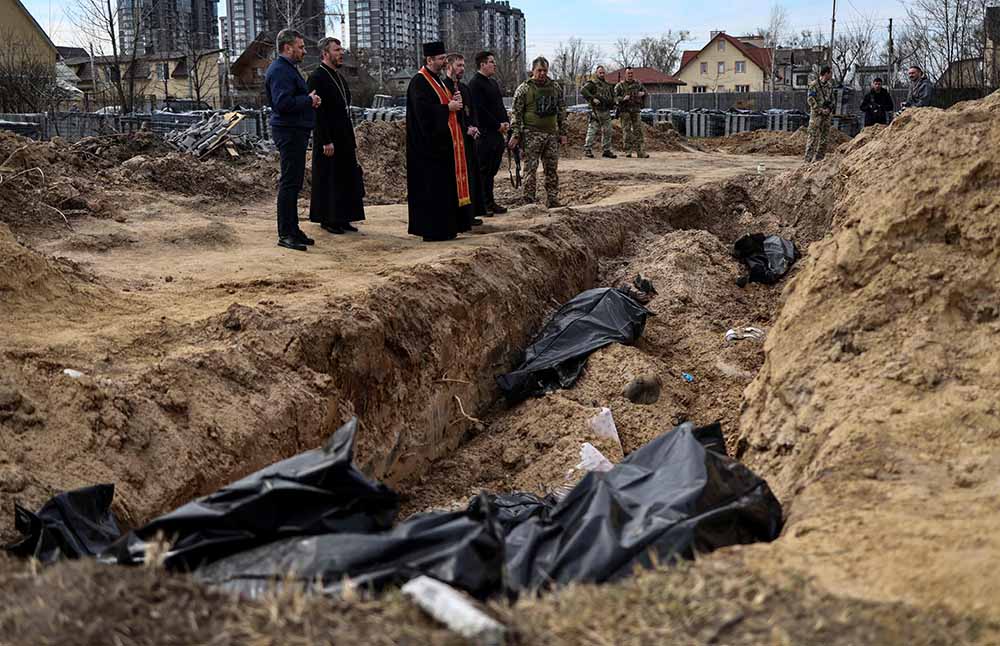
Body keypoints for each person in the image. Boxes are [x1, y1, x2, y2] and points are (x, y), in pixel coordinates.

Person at [406, 41, 473, 242]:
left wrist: (454, 101)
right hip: (428, 149)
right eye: (441, 58)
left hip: (443, 146)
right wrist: (447, 108)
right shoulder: (419, 82)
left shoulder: (438, 81)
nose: (444, 62)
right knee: (432, 190)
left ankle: (448, 227)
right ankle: (434, 230)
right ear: (429, 60)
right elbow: (423, 113)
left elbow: (445, 104)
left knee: (445, 190)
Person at [265, 28, 321, 252]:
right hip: (288, 132)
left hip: (294, 131)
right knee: (289, 183)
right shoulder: (280, 70)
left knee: (294, 182)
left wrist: (308, 101)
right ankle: (285, 233)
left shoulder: (288, 68)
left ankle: (293, 229)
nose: (304, 51)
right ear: (287, 48)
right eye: (300, 47)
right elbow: (282, 103)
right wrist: (308, 100)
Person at [307, 37, 365, 235]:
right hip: (329, 137)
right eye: (337, 49)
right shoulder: (316, 77)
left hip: (344, 135)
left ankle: (343, 217)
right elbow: (317, 112)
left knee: (345, 177)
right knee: (330, 178)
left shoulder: (338, 76)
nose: (341, 53)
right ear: (325, 53)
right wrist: (325, 140)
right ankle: (328, 218)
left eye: (341, 50)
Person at [509, 56, 567, 208]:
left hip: (551, 135)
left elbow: (561, 110)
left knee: (551, 169)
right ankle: (529, 201)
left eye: (545, 71)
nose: (542, 73)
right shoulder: (524, 88)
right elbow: (516, 113)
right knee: (530, 170)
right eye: (539, 70)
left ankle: (553, 200)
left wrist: (563, 132)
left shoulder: (555, 88)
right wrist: (516, 134)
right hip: (531, 135)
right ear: (532, 70)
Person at [444, 53, 485, 226]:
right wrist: (463, 128)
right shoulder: (443, 87)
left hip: (468, 141)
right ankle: (459, 217)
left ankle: (470, 214)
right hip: (453, 141)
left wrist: (474, 126)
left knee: (471, 176)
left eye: (463, 65)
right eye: (459, 65)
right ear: (449, 67)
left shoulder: (465, 88)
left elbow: (471, 111)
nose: (462, 69)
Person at [468, 50, 509, 215]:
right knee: (483, 170)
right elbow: (480, 110)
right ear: (482, 64)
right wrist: (496, 125)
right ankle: (482, 203)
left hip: (497, 134)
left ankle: (490, 202)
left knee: (492, 170)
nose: (494, 64)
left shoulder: (492, 83)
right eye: (491, 61)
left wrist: (506, 122)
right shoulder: (475, 84)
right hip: (485, 134)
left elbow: (499, 105)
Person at [580, 65, 616, 159]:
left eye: (603, 72)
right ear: (596, 73)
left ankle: (606, 150)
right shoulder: (592, 83)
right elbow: (583, 90)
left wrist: (614, 103)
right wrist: (592, 99)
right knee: (592, 130)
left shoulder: (608, 85)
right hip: (595, 111)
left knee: (608, 131)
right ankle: (587, 149)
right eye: (600, 72)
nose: (602, 74)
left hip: (606, 111)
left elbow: (613, 97)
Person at [614, 67, 648, 158]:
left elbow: (645, 92)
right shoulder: (620, 86)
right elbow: (614, 98)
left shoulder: (638, 84)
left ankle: (641, 152)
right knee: (626, 131)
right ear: (625, 74)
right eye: (628, 73)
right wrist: (622, 99)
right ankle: (628, 151)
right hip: (625, 111)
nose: (630, 75)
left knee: (638, 131)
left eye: (631, 73)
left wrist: (643, 94)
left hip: (635, 110)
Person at [804, 65, 834, 163]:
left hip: (826, 116)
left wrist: (829, 109)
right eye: (830, 73)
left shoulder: (830, 86)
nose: (831, 75)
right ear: (826, 73)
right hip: (816, 116)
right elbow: (810, 99)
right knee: (812, 138)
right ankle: (807, 161)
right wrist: (820, 110)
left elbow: (832, 99)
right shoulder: (814, 84)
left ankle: (819, 160)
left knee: (824, 139)